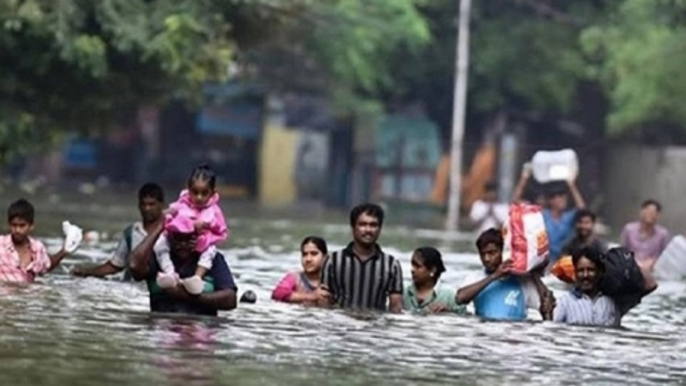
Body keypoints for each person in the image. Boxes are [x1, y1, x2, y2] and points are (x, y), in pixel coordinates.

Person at [128, 218, 237, 316]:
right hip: (163, 329)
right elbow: (134, 266)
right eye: (178, 238)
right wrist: (159, 227)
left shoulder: (213, 259)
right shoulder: (158, 256)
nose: (183, 244)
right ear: (169, 236)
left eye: (189, 239)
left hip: (200, 332)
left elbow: (230, 299)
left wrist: (187, 296)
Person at [155, 164, 229, 295]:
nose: (199, 197)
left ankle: (197, 277)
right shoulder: (181, 204)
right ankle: (169, 272)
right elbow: (168, 219)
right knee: (159, 244)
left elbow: (220, 230)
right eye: (195, 192)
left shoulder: (213, 212)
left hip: (203, 242)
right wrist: (189, 224)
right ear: (189, 190)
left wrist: (203, 232)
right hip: (175, 239)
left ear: (212, 192)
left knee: (211, 251)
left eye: (204, 193)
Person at [319, 203, 403, 312]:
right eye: (362, 224)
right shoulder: (333, 261)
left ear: (380, 228)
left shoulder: (391, 265)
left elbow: (395, 307)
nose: (368, 230)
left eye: (373, 225)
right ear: (353, 227)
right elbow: (324, 302)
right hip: (340, 325)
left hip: (376, 325)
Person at [72, 183, 165, 280]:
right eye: (143, 204)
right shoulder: (131, 233)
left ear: (161, 205)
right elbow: (115, 265)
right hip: (132, 289)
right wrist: (86, 272)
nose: (147, 209)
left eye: (151, 204)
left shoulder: (171, 230)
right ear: (138, 205)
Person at [456, 228, 554, 321]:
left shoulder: (523, 281)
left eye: (492, 253)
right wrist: (494, 276)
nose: (486, 259)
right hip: (484, 336)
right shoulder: (476, 278)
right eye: (483, 254)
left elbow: (548, 309)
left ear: (504, 252)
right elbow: (460, 298)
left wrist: (534, 272)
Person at [513, 169, 585, 265]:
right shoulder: (543, 215)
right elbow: (516, 203)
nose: (562, 200)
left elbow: (582, 210)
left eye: (563, 196)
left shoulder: (568, 217)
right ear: (551, 200)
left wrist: (572, 186)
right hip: (544, 262)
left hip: (564, 260)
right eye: (557, 197)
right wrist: (524, 178)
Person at [0, 199, 79, 284]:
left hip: (27, 295)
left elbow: (47, 265)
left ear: (31, 226)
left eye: (22, 225)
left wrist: (65, 251)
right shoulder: (1, 244)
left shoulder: (37, 248)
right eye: (14, 225)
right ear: (9, 224)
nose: (17, 230)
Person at [553, 247, 619, 326]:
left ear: (600, 272)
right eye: (581, 271)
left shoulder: (613, 301)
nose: (585, 275)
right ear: (575, 273)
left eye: (591, 270)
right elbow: (553, 328)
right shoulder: (564, 303)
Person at [403, 247, 465, 315]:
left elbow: (464, 317)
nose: (412, 270)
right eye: (412, 265)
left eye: (418, 266)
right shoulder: (403, 290)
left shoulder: (449, 296)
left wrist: (448, 313)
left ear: (432, 270)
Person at [272, 236, 329, 305]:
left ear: (325, 257)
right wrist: (311, 296)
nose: (308, 259)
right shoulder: (295, 277)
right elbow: (277, 294)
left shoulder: (333, 279)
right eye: (305, 254)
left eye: (314, 254)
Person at [620, 200, 670, 271]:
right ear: (641, 212)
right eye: (647, 211)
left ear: (658, 216)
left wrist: (653, 262)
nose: (650, 214)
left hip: (652, 270)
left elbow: (665, 257)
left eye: (653, 212)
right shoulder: (629, 230)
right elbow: (621, 252)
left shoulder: (662, 234)